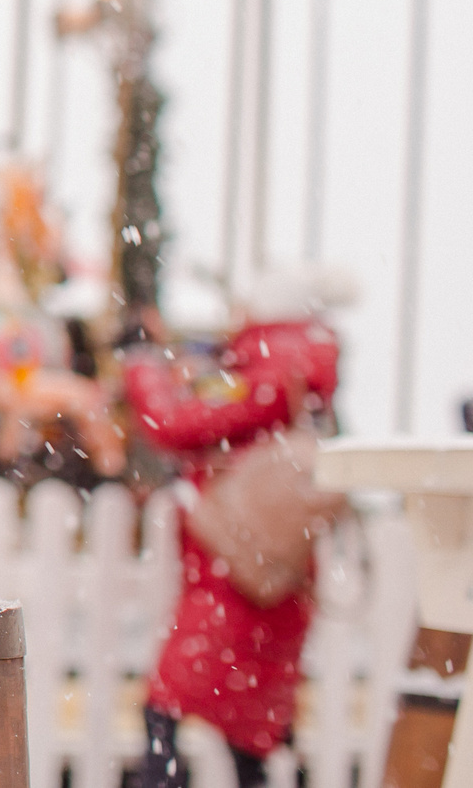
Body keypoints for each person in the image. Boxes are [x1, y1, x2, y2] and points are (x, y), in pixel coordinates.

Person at [127, 269, 350, 788]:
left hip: (235, 577)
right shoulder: (298, 369)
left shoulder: (268, 366)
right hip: (272, 576)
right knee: (245, 734)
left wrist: (142, 368)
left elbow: (176, 423)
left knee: (169, 708)